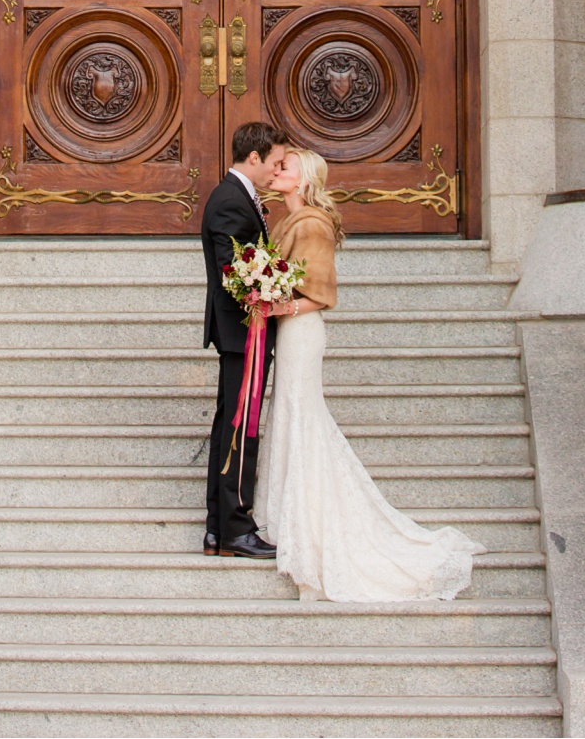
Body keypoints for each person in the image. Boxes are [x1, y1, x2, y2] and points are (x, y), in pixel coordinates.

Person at [256, 144, 485, 601]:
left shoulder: (313, 224)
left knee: (303, 419)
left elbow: (320, 295)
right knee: (291, 417)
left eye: (287, 166)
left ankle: (317, 530)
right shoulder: (286, 220)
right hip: (289, 331)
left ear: (305, 179)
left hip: (302, 331)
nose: (277, 168)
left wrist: (271, 305)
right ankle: (287, 518)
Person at [199, 121, 287, 558]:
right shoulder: (231, 201)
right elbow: (235, 271)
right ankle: (236, 527)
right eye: (275, 162)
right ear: (254, 157)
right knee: (240, 428)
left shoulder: (236, 196)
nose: (277, 171)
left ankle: (218, 527)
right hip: (243, 332)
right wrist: (273, 291)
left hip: (241, 333)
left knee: (230, 425)